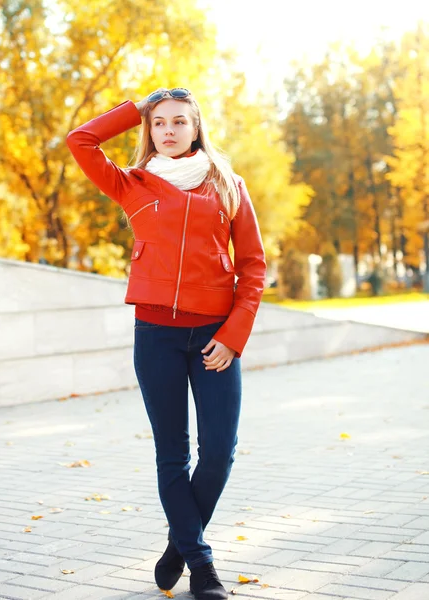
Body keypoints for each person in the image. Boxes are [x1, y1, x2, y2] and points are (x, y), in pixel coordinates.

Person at [67, 87, 266, 599]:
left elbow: (253, 268)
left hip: (215, 338)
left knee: (220, 452)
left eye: (180, 121)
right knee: (172, 453)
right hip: (155, 335)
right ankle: (201, 565)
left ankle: (180, 541)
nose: (170, 130)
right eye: (159, 122)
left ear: (197, 127)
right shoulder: (132, 183)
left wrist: (233, 336)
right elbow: (81, 140)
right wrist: (134, 107)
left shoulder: (228, 185)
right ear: (148, 130)